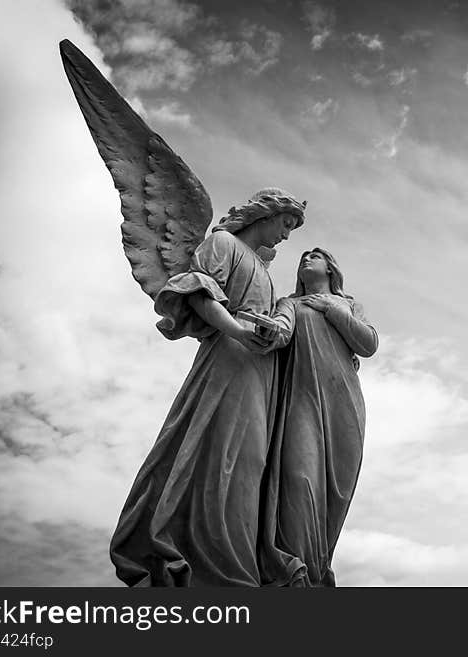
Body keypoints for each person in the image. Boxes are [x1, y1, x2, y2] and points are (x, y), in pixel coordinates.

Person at [110, 188, 306, 587]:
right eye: (286, 224)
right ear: (266, 214)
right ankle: (206, 564)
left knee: (250, 462)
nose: (286, 236)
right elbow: (200, 292)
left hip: (258, 371)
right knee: (218, 453)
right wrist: (238, 330)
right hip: (228, 359)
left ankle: (237, 562)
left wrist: (272, 334)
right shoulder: (223, 244)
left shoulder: (264, 270)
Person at [259, 248, 378, 587]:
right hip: (302, 402)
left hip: (345, 403)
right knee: (299, 480)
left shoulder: (348, 304)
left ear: (330, 267)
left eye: (315, 256)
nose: (306, 259)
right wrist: (269, 330)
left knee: (335, 492)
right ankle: (295, 573)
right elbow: (282, 329)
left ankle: (318, 568)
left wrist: (331, 309)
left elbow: (368, 343)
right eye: (303, 257)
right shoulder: (290, 304)